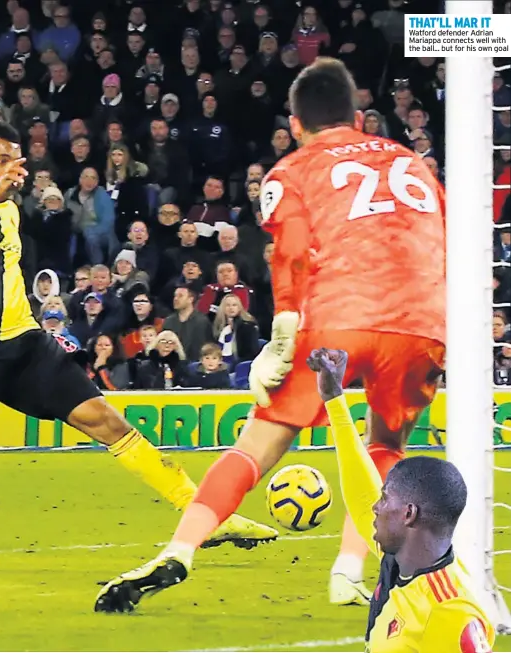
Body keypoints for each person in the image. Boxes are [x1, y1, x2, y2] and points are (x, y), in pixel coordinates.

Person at [95, 57, 446, 612]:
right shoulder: (414, 163)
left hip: (337, 317)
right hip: (420, 321)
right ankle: (350, 572)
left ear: (297, 122)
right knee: (385, 448)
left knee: (257, 445)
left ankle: (181, 549)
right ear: (357, 115)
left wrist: (283, 334)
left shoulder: (295, 168)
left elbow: (291, 253)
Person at [0, 121, 277, 555]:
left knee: (105, 420)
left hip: (25, 344)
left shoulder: (10, 211)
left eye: (16, 160)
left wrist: (1, 196)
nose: (12, 169)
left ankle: (205, 513)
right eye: (1, 160)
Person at [308, 349, 495, 651]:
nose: (375, 505)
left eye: (384, 499)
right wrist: (333, 398)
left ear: (408, 514)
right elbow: (361, 496)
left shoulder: (449, 612)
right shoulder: (400, 562)